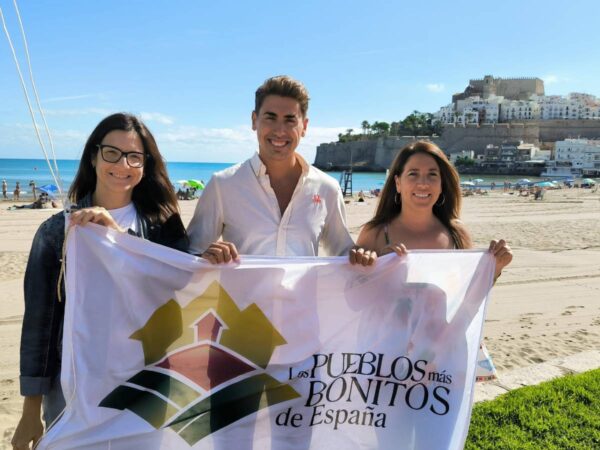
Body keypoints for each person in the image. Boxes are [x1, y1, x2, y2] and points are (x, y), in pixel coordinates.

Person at [12, 113, 188, 450]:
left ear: (145, 165)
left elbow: (180, 295)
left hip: (146, 388)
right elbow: (39, 324)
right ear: (93, 156)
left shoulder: (165, 227)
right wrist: (30, 410)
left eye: (134, 156)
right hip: (74, 390)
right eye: (112, 153)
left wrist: (118, 240)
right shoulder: (56, 233)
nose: (122, 164)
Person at [349, 141, 513, 381]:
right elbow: (353, 301)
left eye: (432, 175)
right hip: (387, 357)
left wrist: (495, 269)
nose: (423, 183)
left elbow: (468, 299)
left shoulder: (457, 234)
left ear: (441, 184)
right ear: (397, 182)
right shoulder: (375, 233)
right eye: (413, 174)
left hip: (442, 355)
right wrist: (377, 269)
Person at [187, 75, 353, 261]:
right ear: (254, 120)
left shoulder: (327, 188)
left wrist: (368, 257)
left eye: (290, 120)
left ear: (304, 126)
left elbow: (345, 256)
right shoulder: (223, 185)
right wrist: (208, 256)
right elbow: (190, 256)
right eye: (270, 118)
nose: (280, 130)